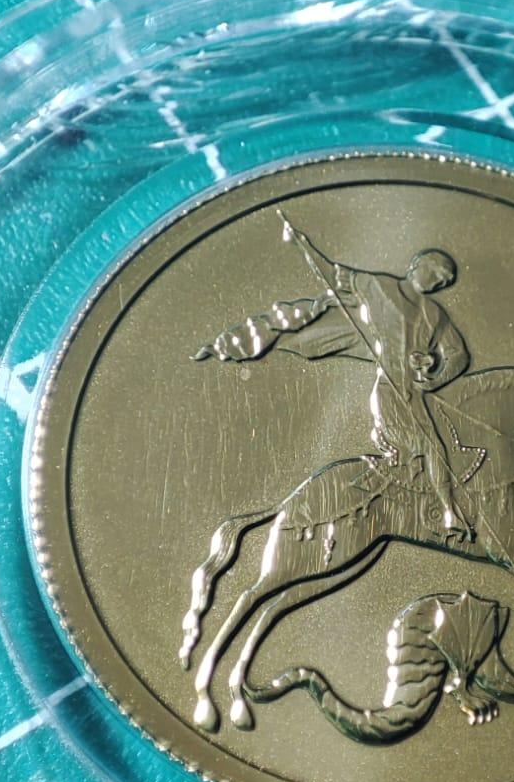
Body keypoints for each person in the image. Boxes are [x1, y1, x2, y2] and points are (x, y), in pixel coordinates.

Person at [196, 218, 475, 541]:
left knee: (437, 447)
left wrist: (432, 371)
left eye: (445, 281)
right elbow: (333, 273)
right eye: (438, 273)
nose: (440, 282)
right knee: (424, 446)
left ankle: (446, 511)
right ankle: (418, 507)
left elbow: (458, 356)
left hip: (413, 391)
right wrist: (303, 244)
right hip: (389, 389)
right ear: (418, 266)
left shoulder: (434, 314)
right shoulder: (378, 286)